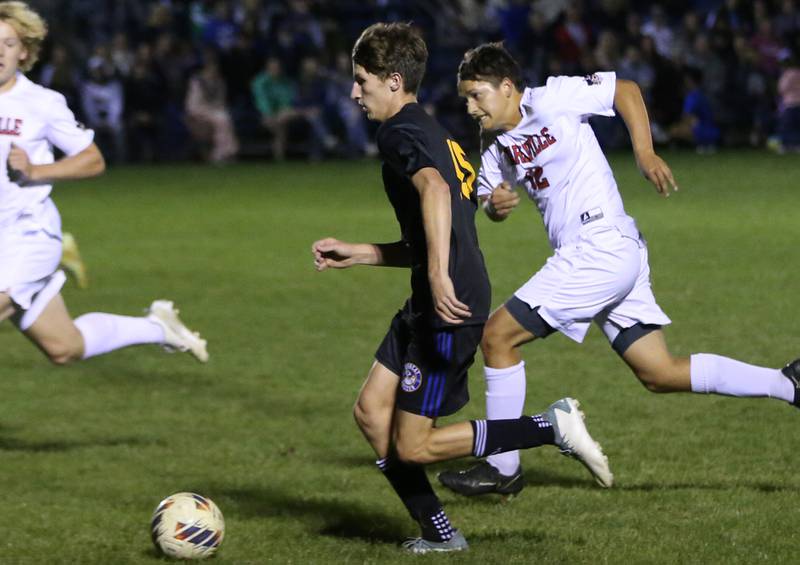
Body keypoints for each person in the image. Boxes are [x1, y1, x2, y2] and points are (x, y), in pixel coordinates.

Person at [437, 42, 800, 498]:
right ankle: (786, 383)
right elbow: (491, 201)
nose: (470, 107)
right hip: (609, 254)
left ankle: (501, 466)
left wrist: (645, 153)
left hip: (601, 246)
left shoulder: (554, 97)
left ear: (507, 87)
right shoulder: (493, 152)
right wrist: (497, 205)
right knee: (659, 372)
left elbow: (624, 90)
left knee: (497, 337)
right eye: (466, 99)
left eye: (476, 95)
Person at [311, 23, 611, 554]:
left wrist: (436, 275)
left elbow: (433, 194)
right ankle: (439, 533)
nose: (355, 93)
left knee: (414, 445)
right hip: (435, 297)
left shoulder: (399, 133)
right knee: (370, 412)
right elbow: (440, 231)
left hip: (447, 306)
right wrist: (364, 253)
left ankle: (548, 427)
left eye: (362, 81)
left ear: (394, 80)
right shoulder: (437, 135)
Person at [0, 1, 208, 365]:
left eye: (8, 43)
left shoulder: (41, 103)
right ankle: (159, 328)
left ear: (25, 52)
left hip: (27, 236)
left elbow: (92, 159)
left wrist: (36, 171)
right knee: (64, 347)